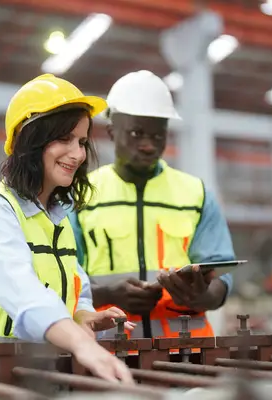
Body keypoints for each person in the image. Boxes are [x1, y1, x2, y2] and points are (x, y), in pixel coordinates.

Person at [0, 73, 135, 384]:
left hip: (29, 377)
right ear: (30, 142)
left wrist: (83, 316)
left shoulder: (55, 218)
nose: (79, 154)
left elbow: (72, 285)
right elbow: (23, 293)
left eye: (82, 142)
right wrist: (83, 345)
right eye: (64, 139)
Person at [68, 70, 235, 339]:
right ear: (112, 131)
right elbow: (61, 279)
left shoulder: (196, 194)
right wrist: (106, 295)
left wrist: (202, 295)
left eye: (158, 136)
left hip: (188, 354)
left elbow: (222, 276)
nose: (148, 145)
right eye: (137, 133)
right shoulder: (80, 195)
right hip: (108, 352)